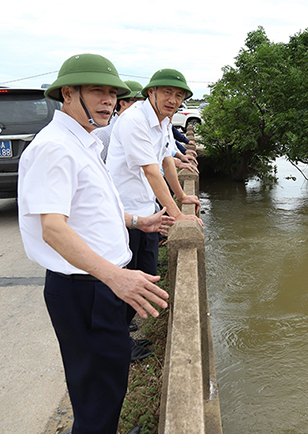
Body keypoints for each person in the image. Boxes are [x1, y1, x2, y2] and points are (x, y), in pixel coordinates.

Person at [18, 53, 174, 434]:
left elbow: (92, 211)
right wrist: (116, 278)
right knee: (96, 392)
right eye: (96, 91)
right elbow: (53, 229)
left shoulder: (83, 142)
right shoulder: (54, 147)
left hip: (97, 285)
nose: (108, 100)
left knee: (110, 377)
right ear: (67, 94)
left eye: (111, 93)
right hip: (84, 290)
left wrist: (141, 221)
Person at [106, 68, 203, 329]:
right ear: (152, 92)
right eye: (167, 92)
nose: (173, 99)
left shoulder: (164, 121)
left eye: (179, 95)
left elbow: (165, 160)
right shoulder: (134, 120)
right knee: (125, 278)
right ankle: (120, 335)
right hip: (126, 213)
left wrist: (182, 196)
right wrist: (178, 214)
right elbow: (151, 171)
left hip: (148, 209)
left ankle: (125, 326)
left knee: (147, 273)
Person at [95, 79, 145, 162]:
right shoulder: (105, 134)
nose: (142, 106)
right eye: (137, 101)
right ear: (123, 104)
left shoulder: (140, 129)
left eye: (144, 102)